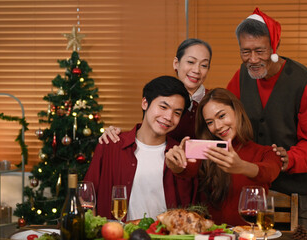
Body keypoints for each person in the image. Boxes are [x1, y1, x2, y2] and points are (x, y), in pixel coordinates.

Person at [226, 8, 307, 230]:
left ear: (275, 47)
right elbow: (227, 118)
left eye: (260, 51)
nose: (252, 60)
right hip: (258, 184)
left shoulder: (304, 83)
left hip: (302, 189)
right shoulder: (241, 76)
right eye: (245, 52)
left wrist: (288, 159)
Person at [84, 75, 195, 221]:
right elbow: (86, 200)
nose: (169, 117)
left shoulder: (181, 153)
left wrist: (180, 170)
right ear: (145, 103)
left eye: (177, 113)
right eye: (163, 107)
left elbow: (192, 209)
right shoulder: (111, 144)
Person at [165, 88, 282, 226]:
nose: (218, 126)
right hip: (213, 235)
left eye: (221, 116)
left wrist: (242, 167)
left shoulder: (266, 152)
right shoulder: (206, 151)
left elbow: (269, 172)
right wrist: (175, 164)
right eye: (210, 122)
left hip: (249, 235)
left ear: (237, 111)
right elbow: (187, 170)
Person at [98, 38, 212, 144]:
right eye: (191, 62)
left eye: (203, 65)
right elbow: (145, 133)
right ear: (176, 63)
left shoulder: (213, 102)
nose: (196, 70)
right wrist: (115, 134)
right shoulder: (159, 93)